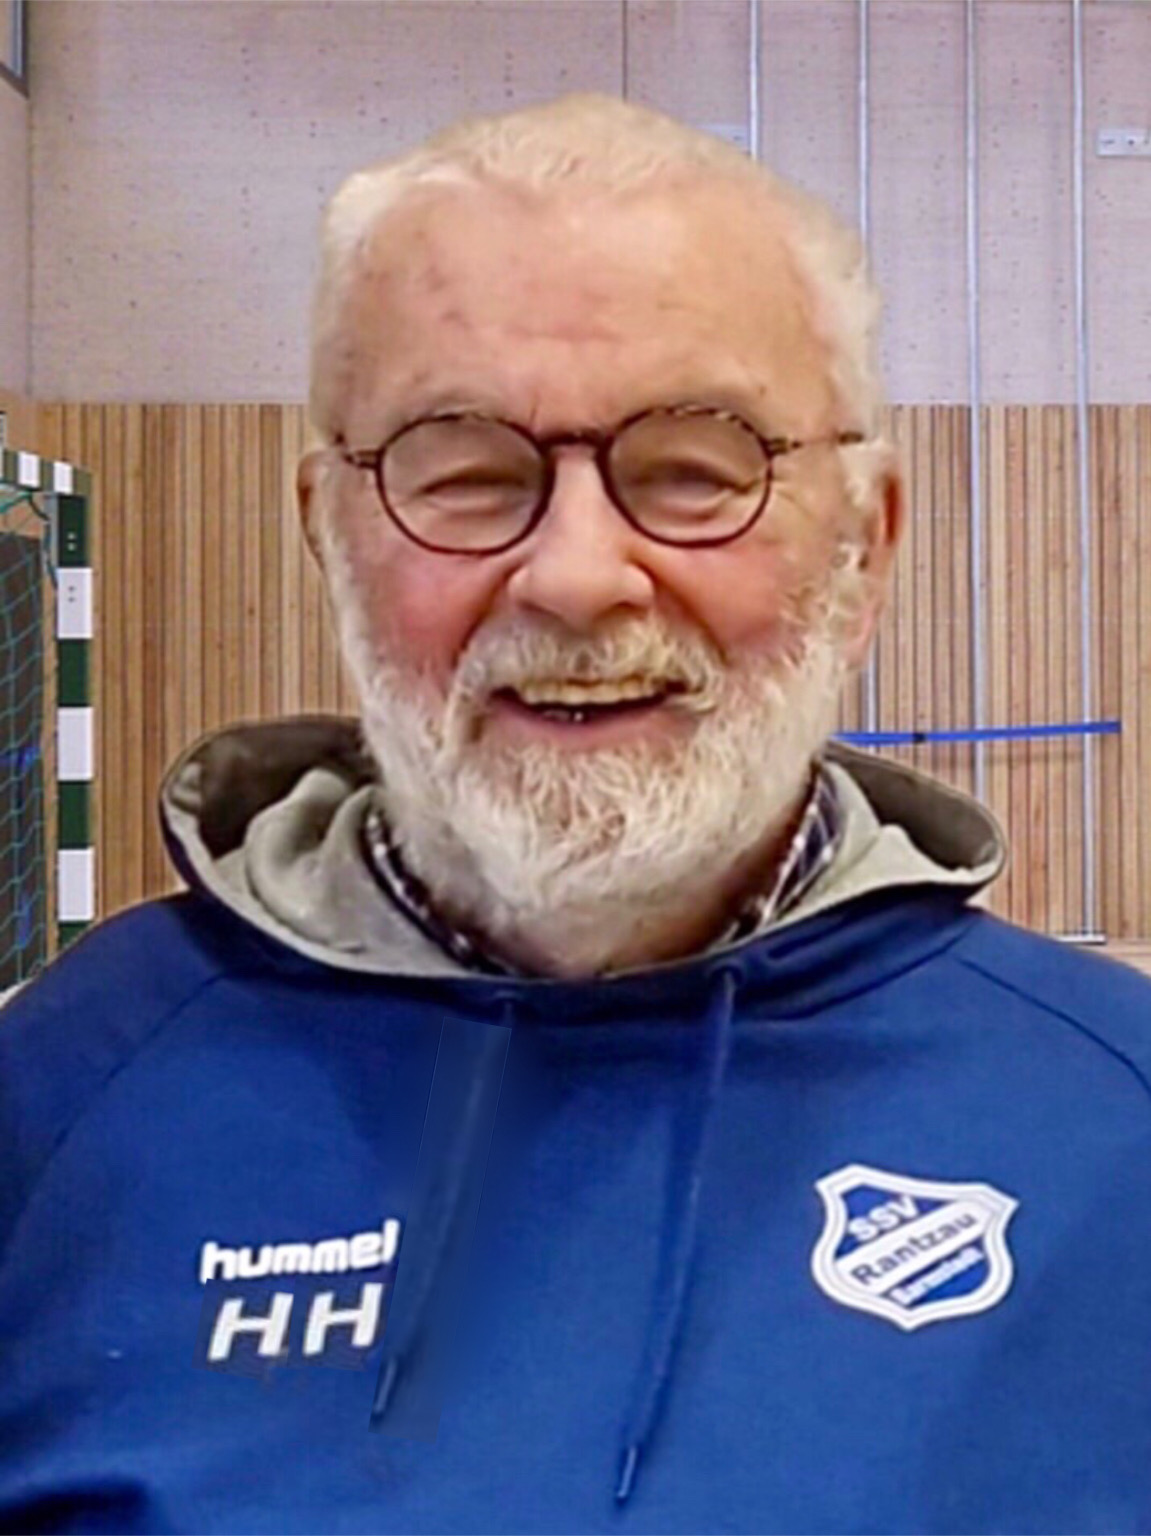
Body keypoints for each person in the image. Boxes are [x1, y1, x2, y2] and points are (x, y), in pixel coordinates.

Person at [1, 91, 1150, 1535]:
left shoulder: (1119, 1125)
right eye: (466, 474)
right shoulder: (58, 1100)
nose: (578, 578)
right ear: (328, 535)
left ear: (865, 546)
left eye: (695, 472)